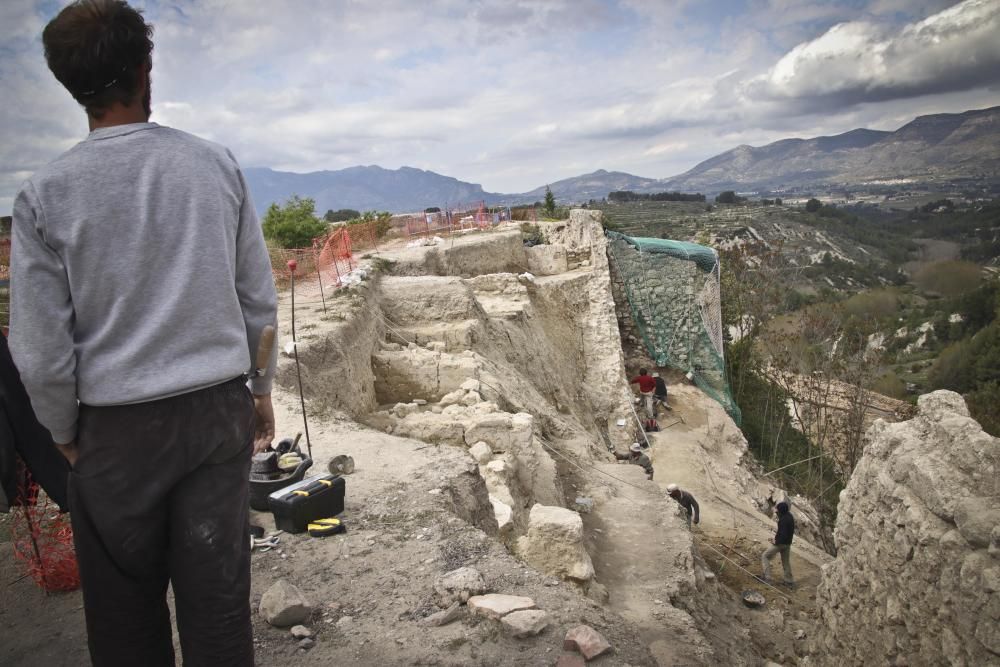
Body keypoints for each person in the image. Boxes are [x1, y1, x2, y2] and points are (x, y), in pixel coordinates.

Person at [10, 1, 278, 664]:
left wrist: (65, 433)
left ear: (72, 87)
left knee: (126, 625)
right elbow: (257, 302)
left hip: (114, 435)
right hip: (216, 418)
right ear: (144, 69)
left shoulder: (45, 196)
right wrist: (261, 389)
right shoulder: (214, 166)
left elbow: (41, 353)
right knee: (218, 610)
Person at [761, 501, 795, 587]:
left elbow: (783, 535)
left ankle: (767, 577)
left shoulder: (783, 520)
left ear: (781, 511)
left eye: (777, 511)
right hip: (788, 543)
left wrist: (775, 541)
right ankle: (789, 581)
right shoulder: (789, 516)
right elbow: (786, 533)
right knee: (786, 562)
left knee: (765, 556)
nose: (776, 512)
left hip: (781, 544)